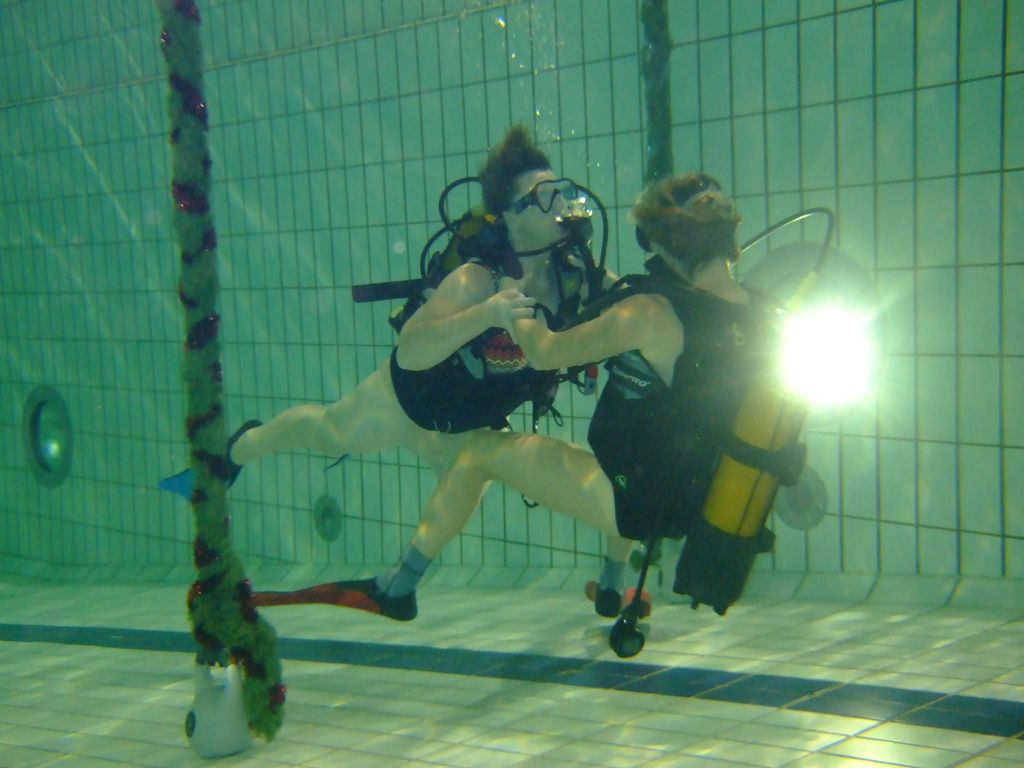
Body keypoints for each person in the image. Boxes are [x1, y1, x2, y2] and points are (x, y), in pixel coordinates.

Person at [170, 125, 639, 618]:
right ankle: (241, 447)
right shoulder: (478, 279)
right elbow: (411, 350)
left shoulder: (576, 273)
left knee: (475, 475)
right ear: (508, 216)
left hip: (467, 422)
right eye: (542, 195)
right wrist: (488, 314)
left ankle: (402, 585)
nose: (561, 203)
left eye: (560, 190)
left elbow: (632, 304)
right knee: (330, 433)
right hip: (406, 400)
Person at [315, 172, 787, 622]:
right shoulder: (771, 313)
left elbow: (543, 353)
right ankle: (611, 585)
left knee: (478, 453)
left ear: (666, 243)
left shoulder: (650, 313)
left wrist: (509, 302)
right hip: (705, 496)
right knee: (640, 440)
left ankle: (397, 586)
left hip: (640, 500)